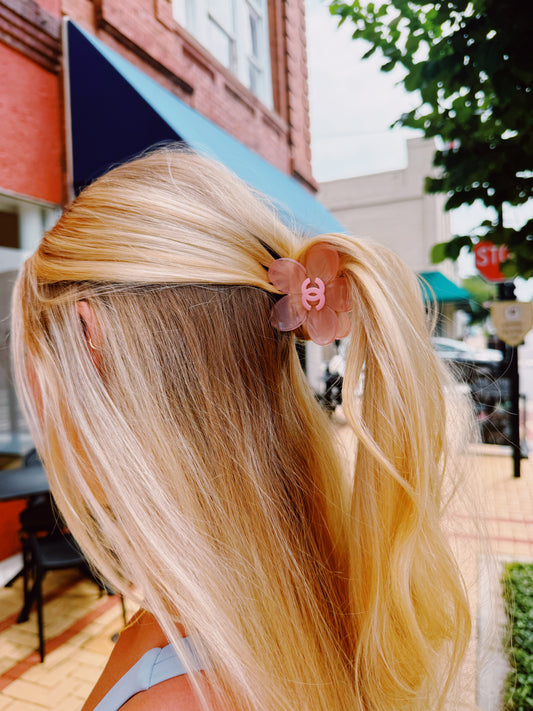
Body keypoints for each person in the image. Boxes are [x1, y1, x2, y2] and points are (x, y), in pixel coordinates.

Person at [12, 147, 471, 711]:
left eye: (33, 351)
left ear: (89, 341)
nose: (31, 393)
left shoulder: (173, 697)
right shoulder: (322, 585)